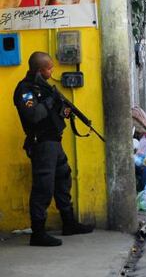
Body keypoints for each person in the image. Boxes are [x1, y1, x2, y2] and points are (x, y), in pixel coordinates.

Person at [13, 52, 94, 247]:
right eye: (49, 68)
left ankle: (69, 223)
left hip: (54, 143)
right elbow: (34, 115)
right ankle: (38, 233)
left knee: (63, 179)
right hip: (42, 144)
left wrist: (63, 110)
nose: (52, 71)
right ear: (40, 70)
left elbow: (55, 113)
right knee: (44, 187)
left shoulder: (44, 88)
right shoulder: (25, 90)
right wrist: (51, 101)